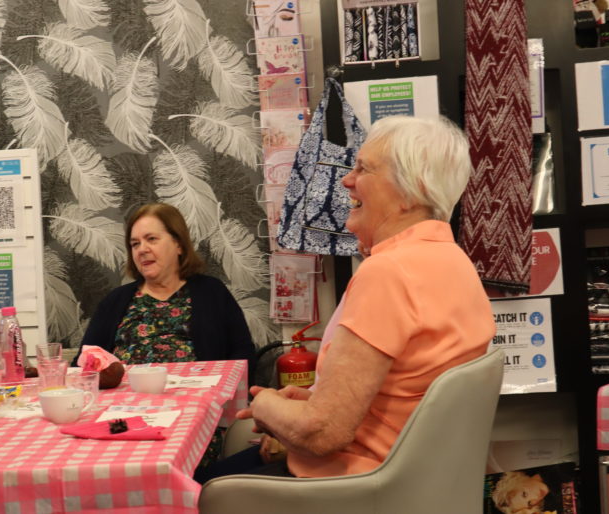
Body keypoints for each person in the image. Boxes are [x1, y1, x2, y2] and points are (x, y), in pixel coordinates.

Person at [195, 115, 496, 481]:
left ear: (410, 191)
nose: (346, 179)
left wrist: (266, 405)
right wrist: (313, 404)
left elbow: (322, 434)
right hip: (415, 478)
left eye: (363, 168)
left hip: (357, 486)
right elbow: (403, 394)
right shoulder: (452, 260)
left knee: (202, 487)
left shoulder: (389, 272)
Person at [74, 202, 255, 366]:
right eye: (135, 244)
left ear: (179, 245)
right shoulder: (115, 300)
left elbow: (243, 355)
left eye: (151, 239)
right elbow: (85, 362)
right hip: (127, 400)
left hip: (194, 398)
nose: (142, 250)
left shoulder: (212, 292)